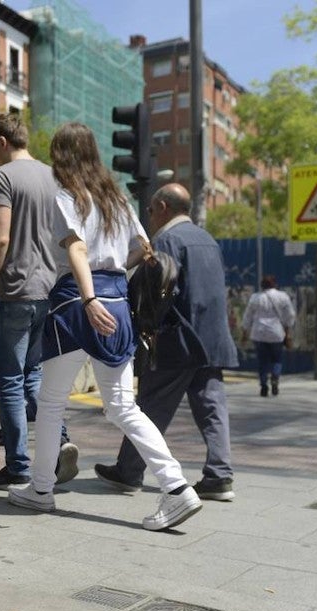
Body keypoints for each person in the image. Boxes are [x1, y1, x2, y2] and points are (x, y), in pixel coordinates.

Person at [6, 122, 201, 531]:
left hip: (78, 304)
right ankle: (177, 486)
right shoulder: (118, 200)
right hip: (118, 302)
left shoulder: (64, 198)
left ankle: (41, 489)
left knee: (51, 400)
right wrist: (109, 283)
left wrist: (89, 296)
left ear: (61, 157)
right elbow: (142, 250)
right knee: (122, 406)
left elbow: (75, 247)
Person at [95, 184, 240, 502]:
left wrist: (143, 325)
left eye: (149, 209)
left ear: (162, 206)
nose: (149, 215)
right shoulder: (207, 239)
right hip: (211, 339)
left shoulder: (166, 241)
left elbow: (157, 291)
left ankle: (129, 471)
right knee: (212, 406)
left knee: (152, 406)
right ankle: (219, 475)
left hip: (178, 339)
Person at [0, 112, 79, 489]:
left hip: (14, 289)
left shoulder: (3, 176)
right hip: (49, 291)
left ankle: (17, 465)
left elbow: (0, 240)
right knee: (34, 376)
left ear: (1, 142)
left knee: (11, 381)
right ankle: (60, 440)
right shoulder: (54, 177)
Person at [241, 275, 296, 397]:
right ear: (275, 284)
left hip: (259, 333)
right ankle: (275, 377)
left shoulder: (255, 298)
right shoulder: (283, 296)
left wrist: (245, 331)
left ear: (262, 286)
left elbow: (247, 316)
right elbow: (290, 315)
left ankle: (263, 385)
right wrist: (288, 328)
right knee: (277, 359)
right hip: (276, 333)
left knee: (262, 361)